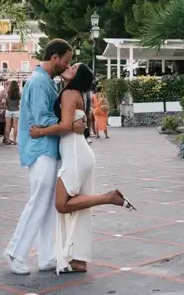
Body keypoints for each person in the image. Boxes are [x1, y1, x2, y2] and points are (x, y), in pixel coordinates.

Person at [30, 64, 131, 274]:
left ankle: (110, 197)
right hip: (80, 152)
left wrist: (41, 132)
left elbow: (66, 125)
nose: (69, 67)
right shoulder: (78, 94)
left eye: (74, 68)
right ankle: (78, 260)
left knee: (62, 204)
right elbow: (75, 124)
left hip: (75, 153)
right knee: (79, 207)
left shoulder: (69, 93)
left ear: (78, 77)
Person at [3, 39, 85, 275]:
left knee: (48, 205)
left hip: (46, 149)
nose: (67, 65)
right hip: (41, 150)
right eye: (66, 61)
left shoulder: (46, 82)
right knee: (38, 203)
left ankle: (46, 256)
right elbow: (42, 119)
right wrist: (69, 126)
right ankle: (15, 252)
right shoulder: (40, 83)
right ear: (54, 58)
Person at [5, 81, 21, 145]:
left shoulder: (7, 93)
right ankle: (14, 141)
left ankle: (8, 140)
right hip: (16, 111)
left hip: (8, 110)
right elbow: (20, 102)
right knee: (15, 126)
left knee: (7, 125)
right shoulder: (19, 94)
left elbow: (5, 102)